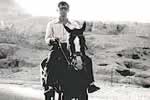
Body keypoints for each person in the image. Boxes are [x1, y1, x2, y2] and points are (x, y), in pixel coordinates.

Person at [43, 1, 100, 96]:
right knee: (51, 59)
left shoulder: (74, 23)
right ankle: (50, 85)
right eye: (61, 9)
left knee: (87, 60)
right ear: (58, 10)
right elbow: (47, 38)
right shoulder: (51, 24)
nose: (63, 11)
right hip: (58, 47)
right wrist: (52, 40)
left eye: (65, 9)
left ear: (68, 10)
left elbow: (79, 35)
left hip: (72, 47)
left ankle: (90, 83)